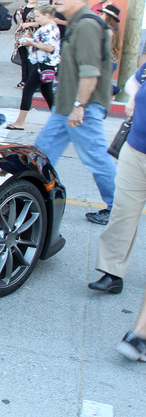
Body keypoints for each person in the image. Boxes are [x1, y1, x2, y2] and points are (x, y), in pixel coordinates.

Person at [35, 0, 116, 226]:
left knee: (96, 158)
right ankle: (34, 197)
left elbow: (90, 71)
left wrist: (80, 106)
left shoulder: (87, 26)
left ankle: (119, 208)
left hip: (82, 108)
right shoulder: (77, 23)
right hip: (66, 107)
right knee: (41, 153)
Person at [90, 62, 146, 357]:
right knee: (122, 214)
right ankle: (112, 273)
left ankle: (141, 333)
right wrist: (134, 99)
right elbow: (136, 80)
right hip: (136, 150)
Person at [7, 4, 61, 130]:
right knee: (47, 93)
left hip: (42, 65)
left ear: (46, 16)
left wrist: (31, 42)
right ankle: (58, 121)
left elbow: (49, 47)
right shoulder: (50, 27)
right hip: (44, 65)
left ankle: (20, 122)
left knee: (28, 91)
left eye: (38, 16)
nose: (36, 19)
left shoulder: (49, 29)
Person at [13, 0, 41, 89]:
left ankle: (31, 81)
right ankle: (24, 80)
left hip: (33, 37)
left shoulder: (40, 8)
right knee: (24, 60)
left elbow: (43, 22)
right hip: (20, 37)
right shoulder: (21, 7)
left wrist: (29, 24)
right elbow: (16, 19)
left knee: (32, 60)